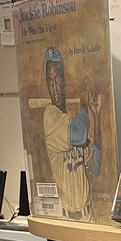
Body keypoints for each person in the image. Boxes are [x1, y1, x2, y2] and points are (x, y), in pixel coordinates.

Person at [42, 47, 102, 221]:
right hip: (67, 218)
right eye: (50, 81)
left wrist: (97, 117)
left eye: (57, 79)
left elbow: (96, 166)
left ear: (64, 80)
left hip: (88, 216)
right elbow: (79, 135)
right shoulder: (50, 116)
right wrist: (83, 105)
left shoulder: (70, 120)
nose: (54, 87)